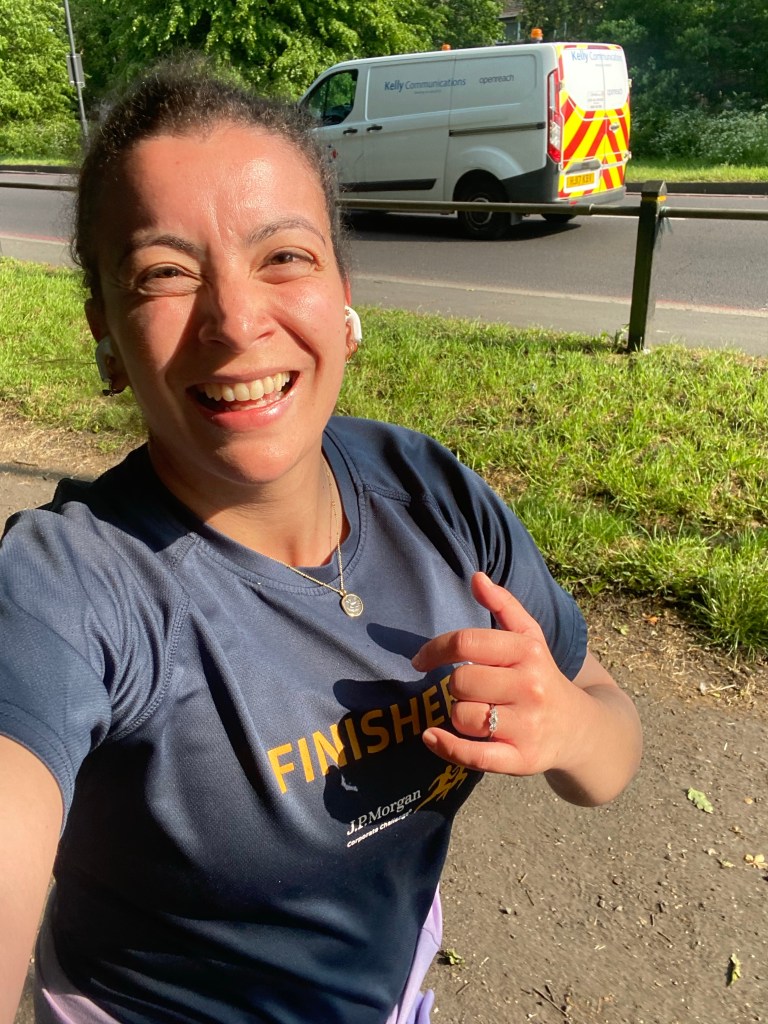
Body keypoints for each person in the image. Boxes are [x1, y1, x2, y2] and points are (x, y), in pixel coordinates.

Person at [0, 58, 642, 1024]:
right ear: (105, 330)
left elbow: (606, 739)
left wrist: (568, 724)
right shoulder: (70, 586)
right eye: (164, 274)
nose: (235, 320)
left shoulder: (431, 492)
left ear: (344, 294)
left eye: (284, 256)